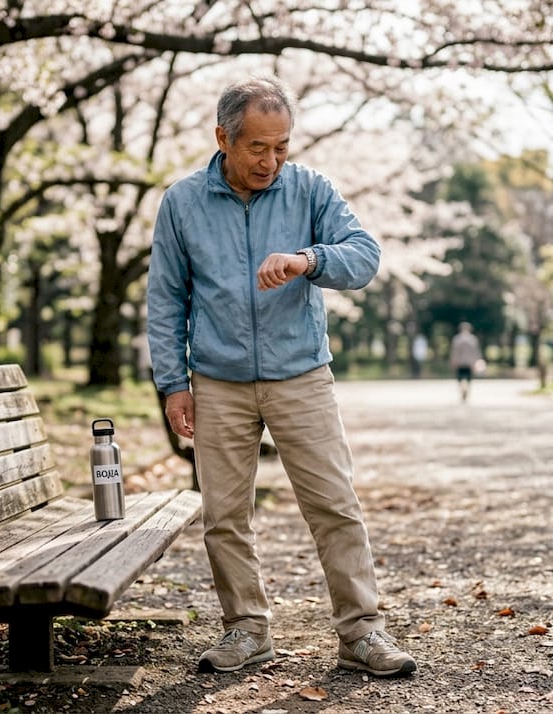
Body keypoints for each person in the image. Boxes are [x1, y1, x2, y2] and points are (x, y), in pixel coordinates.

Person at [146, 75, 417, 678]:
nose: (271, 161)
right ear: (223, 138)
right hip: (217, 381)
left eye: (282, 147)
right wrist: (173, 384)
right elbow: (165, 300)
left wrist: (309, 259)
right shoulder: (182, 203)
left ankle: (362, 632)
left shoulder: (311, 190)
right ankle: (245, 630)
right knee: (224, 515)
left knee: (335, 507)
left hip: (302, 376)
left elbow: (365, 255)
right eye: (257, 148)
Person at [449, 321, 483, 402]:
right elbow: (476, 352)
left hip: (460, 362)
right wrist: (477, 361)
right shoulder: (473, 339)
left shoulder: (457, 339)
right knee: (468, 378)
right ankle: (466, 388)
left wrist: (453, 361)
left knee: (460, 378)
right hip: (469, 362)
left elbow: (454, 352)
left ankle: (462, 388)